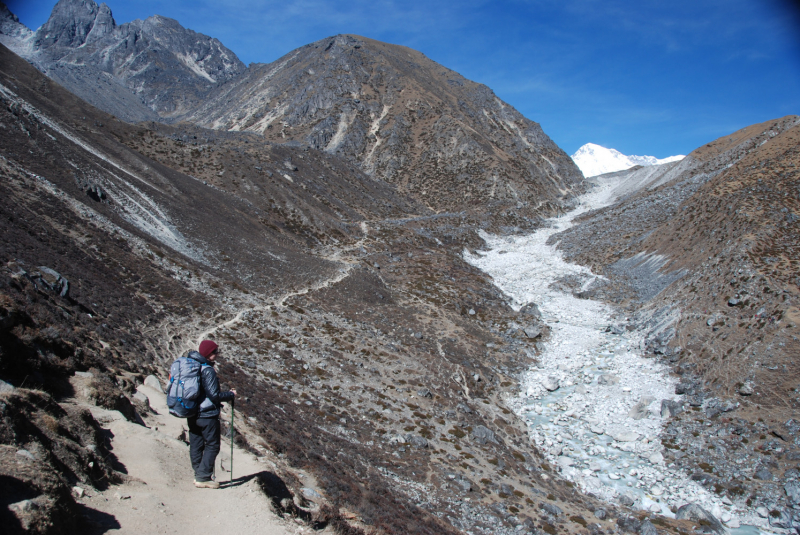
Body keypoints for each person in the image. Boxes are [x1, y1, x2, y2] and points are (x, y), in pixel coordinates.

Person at [186, 340, 236, 489]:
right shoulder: (207, 370)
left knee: (196, 444)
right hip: (207, 414)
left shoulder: (192, 366)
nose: (217, 354)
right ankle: (203, 477)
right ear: (208, 353)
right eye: (214, 352)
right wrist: (230, 394)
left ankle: (199, 473)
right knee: (213, 445)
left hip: (192, 412)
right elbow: (214, 396)